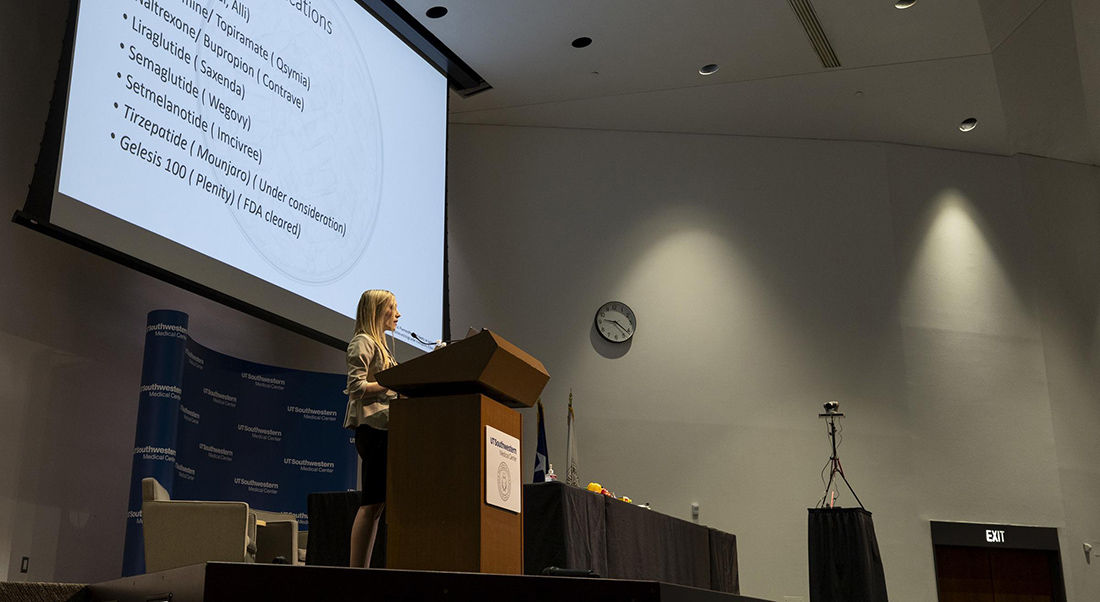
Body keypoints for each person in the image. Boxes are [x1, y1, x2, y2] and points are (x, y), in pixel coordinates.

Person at [343, 289, 400, 568]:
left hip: (386, 430)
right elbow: (355, 388)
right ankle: (357, 573)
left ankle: (361, 571)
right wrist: (393, 382)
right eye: (393, 308)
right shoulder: (362, 342)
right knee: (371, 504)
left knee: (377, 506)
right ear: (379, 310)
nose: (398, 315)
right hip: (374, 432)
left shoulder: (382, 346)